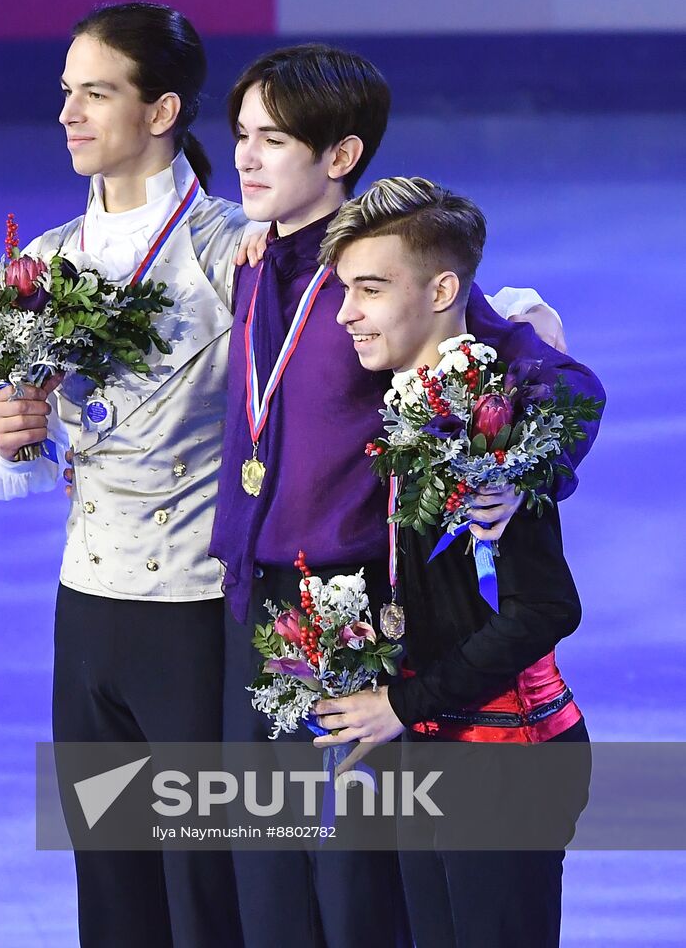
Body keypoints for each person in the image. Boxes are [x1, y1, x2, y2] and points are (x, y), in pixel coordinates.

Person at [210, 46, 562, 948]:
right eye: (241, 134)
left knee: (361, 890)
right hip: (258, 608)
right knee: (269, 879)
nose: (245, 156)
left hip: (359, 614)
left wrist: (528, 473)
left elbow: (546, 377)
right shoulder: (253, 260)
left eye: (272, 139)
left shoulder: (393, 282)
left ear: (339, 155)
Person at [0, 2, 249, 948]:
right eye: (65, 92)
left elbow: (393, 306)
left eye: (95, 93)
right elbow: (10, 460)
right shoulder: (42, 263)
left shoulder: (234, 250)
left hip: (200, 612)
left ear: (160, 110)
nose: (67, 114)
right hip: (87, 610)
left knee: (206, 887)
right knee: (112, 884)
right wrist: (6, 437)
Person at [312, 176, 605, 947]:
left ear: (442, 291)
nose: (345, 313)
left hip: (506, 759)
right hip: (431, 747)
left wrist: (404, 703)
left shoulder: (495, 421)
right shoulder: (404, 404)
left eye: (369, 289)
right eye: (345, 288)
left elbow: (545, 608)